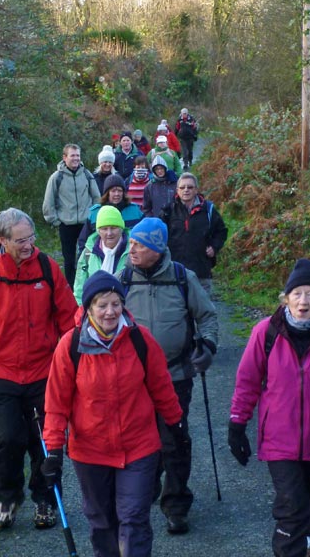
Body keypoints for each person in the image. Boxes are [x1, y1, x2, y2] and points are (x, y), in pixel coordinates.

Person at [41, 271, 186, 557]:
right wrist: (54, 451)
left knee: (133, 519)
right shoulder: (70, 346)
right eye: (102, 305)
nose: (110, 312)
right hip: (90, 451)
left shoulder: (139, 340)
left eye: (116, 304)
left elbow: (162, 388)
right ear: (88, 308)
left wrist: (176, 425)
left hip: (138, 446)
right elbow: (56, 404)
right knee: (102, 522)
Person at [0, 208, 77, 530]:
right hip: (3, 372)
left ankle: (46, 501)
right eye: (21, 240)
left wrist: (76, 354)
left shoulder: (48, 269)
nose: (29, 245)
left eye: (31, 238)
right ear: (2, 240)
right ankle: (7, 499)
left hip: (44, 371)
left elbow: (69, 317)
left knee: (45, 440)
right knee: (9, 438)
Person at [228, 258, 310, 557]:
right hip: (279, 440)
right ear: (286, 297)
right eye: (297, 294)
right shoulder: (266, 333)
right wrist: (237, 424)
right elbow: (247, 381)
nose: (303, 301)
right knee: (292, 505)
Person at [116, 218, 218, 535]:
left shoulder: (182, 278)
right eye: (131, 242)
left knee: (174, 439)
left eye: (139, 244)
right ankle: (147, 487)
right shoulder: (123, 280)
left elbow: (207, 315)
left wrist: (208, 344)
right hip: (134, 379)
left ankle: (176, 505)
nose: (131, 248)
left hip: (175, 375)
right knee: (139, 439)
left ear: (157, 249)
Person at [42, 143, 100, 288]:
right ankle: (71, 286)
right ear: (65, 157)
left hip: (85, 223)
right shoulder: (57, 177)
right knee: (69, 259)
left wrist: (93, 216)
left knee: (87, 254)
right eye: (72, 155)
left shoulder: (87, 174)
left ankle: (88, 283)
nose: (76, 159)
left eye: (78, 155)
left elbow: (96, 197)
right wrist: (54, 220)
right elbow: (49, 200)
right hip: (66, 224)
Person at [160, 172, 228, 295]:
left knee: (202, 311)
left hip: (201, 270)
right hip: (175, 271)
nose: (186, 190)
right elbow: (158, 236)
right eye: (182, 187)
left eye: (190, 187)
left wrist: (214, 246)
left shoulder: (208, 210)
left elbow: (221, 231)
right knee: (178, 310)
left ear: (196, 190)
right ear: (177, 190)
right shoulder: (168, 211)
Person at [74, 206, 129, 304]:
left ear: (121, 228)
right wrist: (82, 309)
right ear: (98, 231)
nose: (109, 233)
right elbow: (79, 286)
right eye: (104, 229)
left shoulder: (132, 250)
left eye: (113, 228)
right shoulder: (88, 252)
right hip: (95, 309)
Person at [77, 174, 143, 255]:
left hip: (129, 255)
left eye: (120, 191)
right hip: (101, 255)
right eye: (113, 191)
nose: (117, 194)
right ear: (107, 193)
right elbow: (84, 239)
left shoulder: (134, 210)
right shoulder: (95, 213)